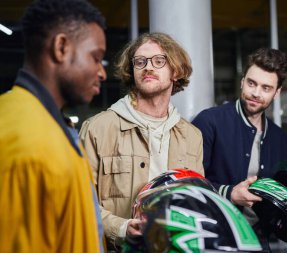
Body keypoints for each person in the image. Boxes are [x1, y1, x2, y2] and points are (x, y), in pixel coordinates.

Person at [79, 32, 204, 249]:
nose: (148, 67)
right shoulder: (97, 129)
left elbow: (197, 200)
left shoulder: (192, 136)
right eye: (140, 62)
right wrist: (121, 228)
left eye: (159, 61)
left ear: (175, 70)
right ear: (132, 71)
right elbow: (80, 202)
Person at [0, 0, 107, 252]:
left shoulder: (54, 127)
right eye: (96, 58)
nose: (102, 73)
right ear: (61, 48)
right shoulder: (29, 144)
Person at [192, 47, 287, 215]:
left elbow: (279, 197)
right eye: (251, 83)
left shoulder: (281, 140)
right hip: (215, 234)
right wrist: (229, 193)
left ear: (277, 92)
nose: (256, 93)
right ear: (242, 81)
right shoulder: (209, 122)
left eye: (266, 88)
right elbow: (186, 182)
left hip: (259, 237)